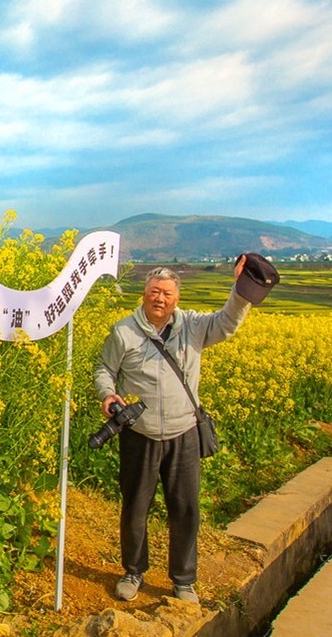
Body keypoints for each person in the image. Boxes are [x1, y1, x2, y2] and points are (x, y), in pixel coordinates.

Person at [93, 259, 249, 605]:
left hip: (184, 433)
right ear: (143, 295)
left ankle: (183, 580)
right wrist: (108, 394)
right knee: (135, 507)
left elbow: (227, 324)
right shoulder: (124, 332)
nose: (158, 299)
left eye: (166, 293)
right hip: (140, 434)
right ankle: (133, 572)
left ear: (177, 299)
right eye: (153, 292)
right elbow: (104, 367)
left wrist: (241, 291)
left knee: (186, 508)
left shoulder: (193, 326)